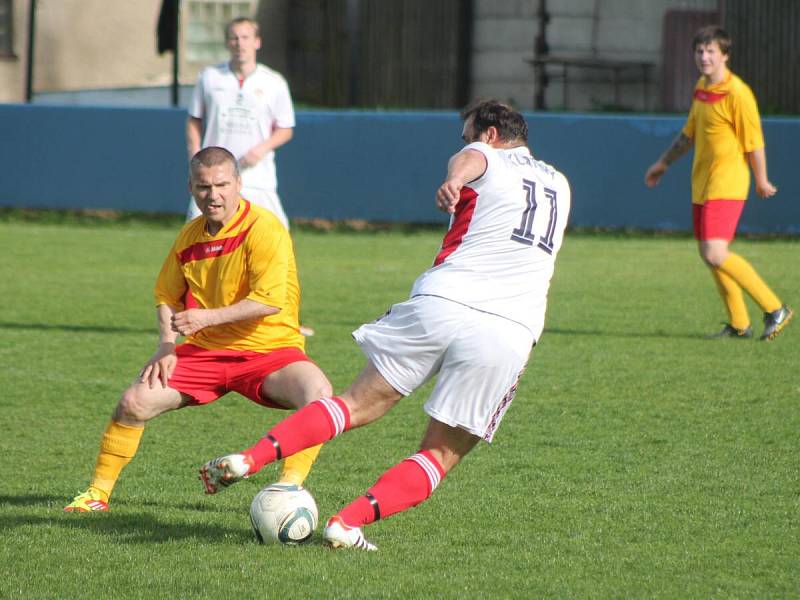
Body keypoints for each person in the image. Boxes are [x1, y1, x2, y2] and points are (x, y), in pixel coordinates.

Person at [198, 100, 572, 550]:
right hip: (509, 329)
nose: (464, 145)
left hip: (444, 302)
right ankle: (347, 524)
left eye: (469, 134)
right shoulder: (561, 184)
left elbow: (470, 161)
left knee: (354, 405)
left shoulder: (483, 155)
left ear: (491, 134)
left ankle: (248, 458)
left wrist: (454, 178)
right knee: (438, 454)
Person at [65, 147, 330, 512]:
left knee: (318, 395)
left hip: (269, 351)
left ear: (238, 183)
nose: (213, 195)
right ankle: (96, 494)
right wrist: (166, 345)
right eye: (204, 186)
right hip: (205, 353)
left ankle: (287, 488)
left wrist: (205, 317)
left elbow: (269, 301)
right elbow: (166, 295)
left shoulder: (264, 228)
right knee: (133, 403)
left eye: (222, 184)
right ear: (191, 187)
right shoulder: (189, 237)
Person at [644, 25, 792, 341]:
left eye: (711, 51)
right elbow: (689, 135)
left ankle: (775, 308)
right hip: (703, 183)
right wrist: (663, 164)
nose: (704, 56)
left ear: (725, 55)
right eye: (700, 50)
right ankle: (739, 324)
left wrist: (761, 179)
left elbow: (754, 142)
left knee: (714, 252)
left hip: (727, 183)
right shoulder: (701, 87)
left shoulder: (738, 93)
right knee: (709, 253)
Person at [186, 17, 294, 230]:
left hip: (256, 174)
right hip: (214, 175)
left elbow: (286, 128)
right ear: (227, 43)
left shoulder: (274, 82)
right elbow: (194, 119)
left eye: (245, 37)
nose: (240, 43)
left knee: (275, 232)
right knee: (198, 234)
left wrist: (262, 148)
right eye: (234, 38)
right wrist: (195, 154)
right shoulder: (209, 77)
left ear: (257, 42)